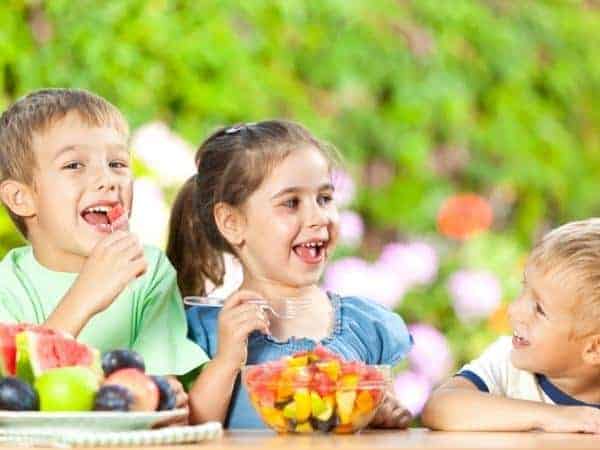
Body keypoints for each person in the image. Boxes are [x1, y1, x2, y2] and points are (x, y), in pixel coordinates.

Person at [167, 120, 413, 428]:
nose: (318, 217)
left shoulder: (364, 326)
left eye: (324, 198)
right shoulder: (205, 331)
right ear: (231, 222)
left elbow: (384, 415)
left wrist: (384, 414)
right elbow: (192, 427)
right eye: (291, 203)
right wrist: (227, 360)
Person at [0, 88, 208, 408]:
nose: (108, 179)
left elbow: (150, 396)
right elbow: (11, 394)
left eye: (117, 163)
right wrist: (85, 295)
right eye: (74, 165)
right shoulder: (8, 286)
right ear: (21, 198)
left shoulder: (149, 271)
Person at [422, 219, 600, 434]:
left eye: (539, 310)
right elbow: (440, 408)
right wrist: (553, 416)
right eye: (523, 288)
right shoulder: (507, 365)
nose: (514, 310)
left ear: (594, 348)